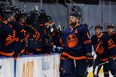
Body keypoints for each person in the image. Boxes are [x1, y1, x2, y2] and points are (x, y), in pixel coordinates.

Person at [60, 9, 93, 77]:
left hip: (81, 56)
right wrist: (55, 34)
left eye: (72, 18)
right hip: (69, 55)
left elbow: (87, 43)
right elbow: (61, 43)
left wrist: (89, 55)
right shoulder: (66, 31)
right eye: (70, 17)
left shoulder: (82, 29)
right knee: (67, 74)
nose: (70, 19)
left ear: (77, 19)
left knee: (80, 75)